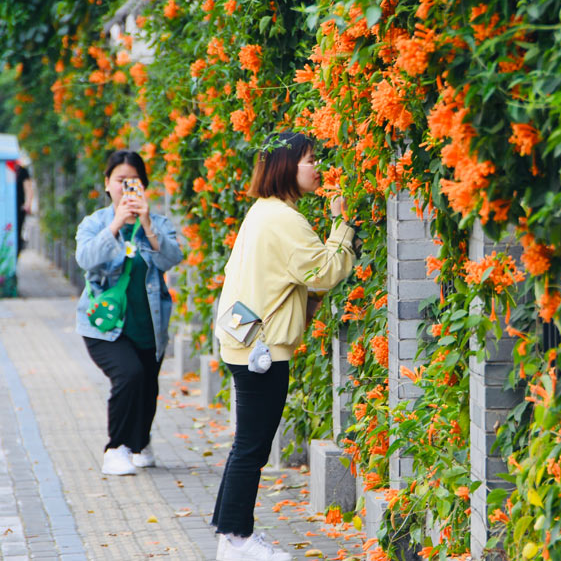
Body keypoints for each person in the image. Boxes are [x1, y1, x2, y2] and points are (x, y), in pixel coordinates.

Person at [212, 132, 355, 561]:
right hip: (262, 352)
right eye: (310, 159)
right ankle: (238, 539)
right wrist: (343, 223)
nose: (318, 167)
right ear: (286, 166)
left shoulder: (265, 212)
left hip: (247, 343)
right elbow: (325, 272)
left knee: (247, 444)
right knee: (252, 446)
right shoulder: (283, 219)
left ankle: (229, 535)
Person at [75, 150, 183, 476]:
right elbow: (85, 258)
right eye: (120, 181)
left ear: (144, 186)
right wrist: (116, 224)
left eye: (133, 181)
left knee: (147, 385)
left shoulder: (158, 223)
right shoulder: (95, 222)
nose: (126, 187)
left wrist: (147, 225)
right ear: (107, 184)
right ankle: (115, 448)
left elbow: (172, 258)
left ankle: (140, 442)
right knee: (129, 375)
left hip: (148, 322)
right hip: (103, 324)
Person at [15, 163, 34, 256]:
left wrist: (27, 204)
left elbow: (28, 189)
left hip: (19, 208)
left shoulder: (22, 171)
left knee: (17, 234)